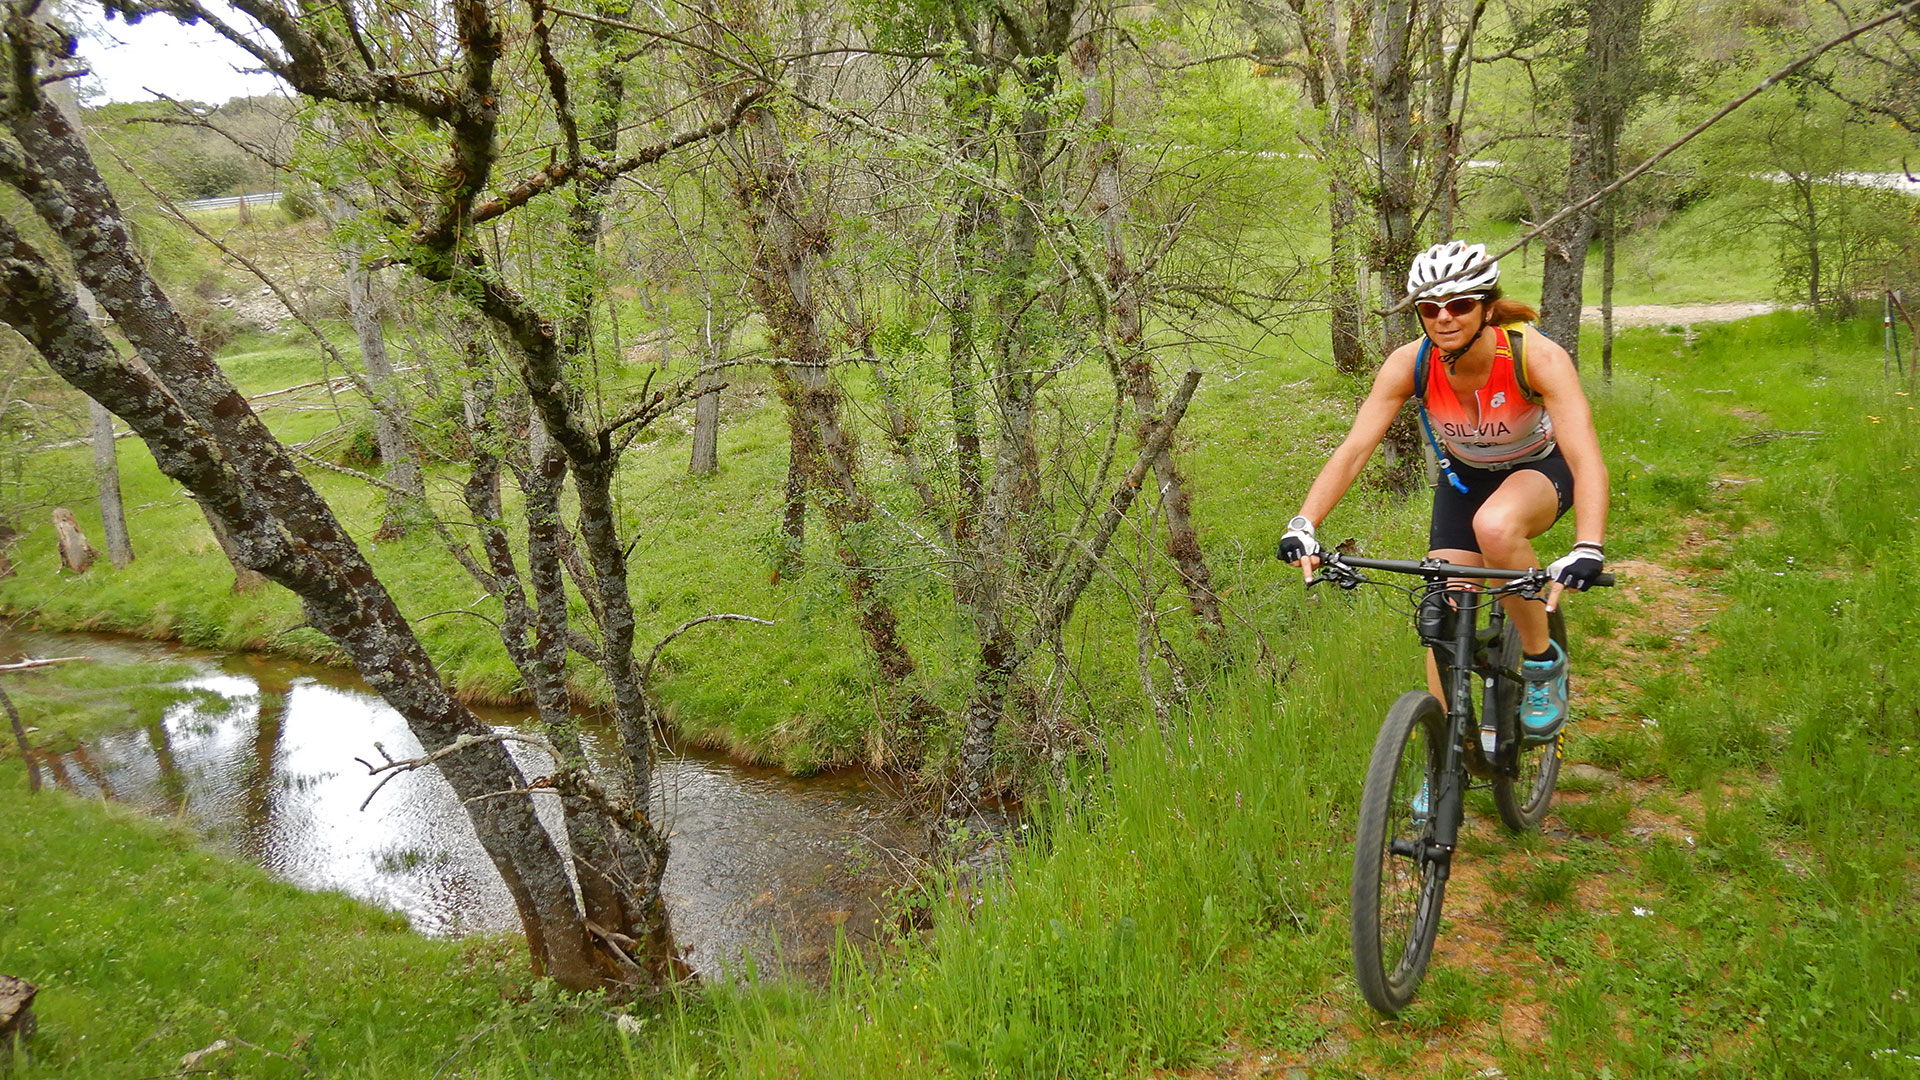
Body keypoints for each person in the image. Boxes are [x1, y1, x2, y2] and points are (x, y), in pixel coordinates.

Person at [1277, 240, 1610, 742]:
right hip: (1466, 479)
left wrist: (1588, 546)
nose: (1443, 318)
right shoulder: (1410, 364)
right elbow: (1353, 450)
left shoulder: (1536, 357)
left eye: (1459, 305)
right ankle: (1445, 757)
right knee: (1444, 611)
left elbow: (1586, 457)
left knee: (1495, 528)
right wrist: (1303, 524)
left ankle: (1543, 662)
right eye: (1429, 309)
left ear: (1487, 307)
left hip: (1541, 469)